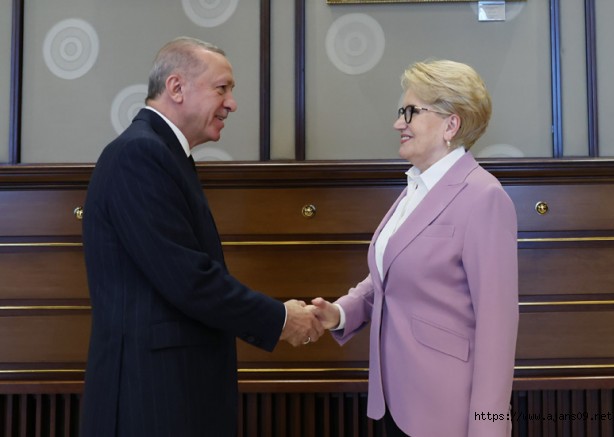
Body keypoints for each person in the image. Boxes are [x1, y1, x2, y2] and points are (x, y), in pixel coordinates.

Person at [79, 37, 323, 437]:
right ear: (176, 88)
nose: (232, 104)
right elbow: (188, 278)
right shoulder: (140, 155)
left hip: (168, 391)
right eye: (222, 88)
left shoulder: (160, 153)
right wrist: (279, 319)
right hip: (151, 397)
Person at [310, 59, 519, 437]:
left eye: (410, 112)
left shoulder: (484, 196)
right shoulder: (417, 188)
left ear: (450, 125)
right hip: (395, 402)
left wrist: (488, 430)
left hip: (447, 412)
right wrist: (340, 313)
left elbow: (498, 329)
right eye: (400, 112)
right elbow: (390, 276)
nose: (398, 123)